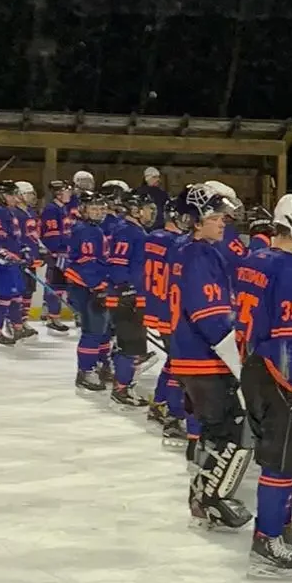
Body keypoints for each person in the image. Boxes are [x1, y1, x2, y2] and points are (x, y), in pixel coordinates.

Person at [233, 193, 292, 577]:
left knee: (276, 453)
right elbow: (287, 337)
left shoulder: (254, 258)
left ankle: (280, 524)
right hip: (275, 371)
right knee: (280, 459)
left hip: (251, 365)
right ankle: (267, 539)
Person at [169, 183, 253, 531]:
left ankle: (203, 494)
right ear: (197, 221)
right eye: (217, 217)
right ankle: (211, 500)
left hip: (191, 358)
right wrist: (239, 361)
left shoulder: (188, 249)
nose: (224, 223)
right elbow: (211, 316)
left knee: (214, 429)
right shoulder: (200, 254)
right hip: (203, 360)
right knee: (230, 429)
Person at [143, 195, 192, 446]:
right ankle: (173, 416)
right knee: (179, 365)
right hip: (172, 310)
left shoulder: (152, 237)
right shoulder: (179, 244)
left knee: (174, 360)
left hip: (156, 306)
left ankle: (160, 403)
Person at [104, 191, 158, 408]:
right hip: (127, 297)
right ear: (135, 210)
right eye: (147, 208)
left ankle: (122, 383)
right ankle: (121, 389)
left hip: (132, 295)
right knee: (131, 344)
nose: (151, 213)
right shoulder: (128, 232)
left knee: (130, 343)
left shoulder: (134, 230)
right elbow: (118, 263)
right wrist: (126, 289)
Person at [64, 190, 113, 392]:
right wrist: (98, 286)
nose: (99, 212)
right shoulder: (86, 231)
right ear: (83, 210)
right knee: (93, 329)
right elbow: (87, 262)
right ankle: (86, 370)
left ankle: (101, 364)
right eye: (94, 208)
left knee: (103, 329)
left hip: (89, 285)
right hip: (86, 287)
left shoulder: (92, 229)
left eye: (101, 208)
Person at [0, 180, 33, 347]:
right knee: (5, 295)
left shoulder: (10, 212)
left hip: (13, 260)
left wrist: (23, 250)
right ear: (4, 195)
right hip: (1, 261)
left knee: (17, 293)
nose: (16, 197)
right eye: (13, 194)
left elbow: (16, 238)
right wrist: (3, 254)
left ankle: (17, 327)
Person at [38, 179, 74, 334]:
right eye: (67, 191)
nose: (70, 194)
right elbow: (51, 235)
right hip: (58, 254)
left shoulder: (63, 209)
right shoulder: (52, 209)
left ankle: (54, 316)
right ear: (59, 193)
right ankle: (53, 318)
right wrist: (58, 250)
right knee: (56, 286)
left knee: (61, 286)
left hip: (63, 253)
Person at [12, 181, 43, 339]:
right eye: (29, 193)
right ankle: (12, 322)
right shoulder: (14, 213)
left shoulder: (31, 212)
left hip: (31, 258)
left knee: (28, 291)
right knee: (17, 291)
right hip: (20, 259)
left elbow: (34, 235)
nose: (32, 197)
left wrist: (40, 249)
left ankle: (23, 321)